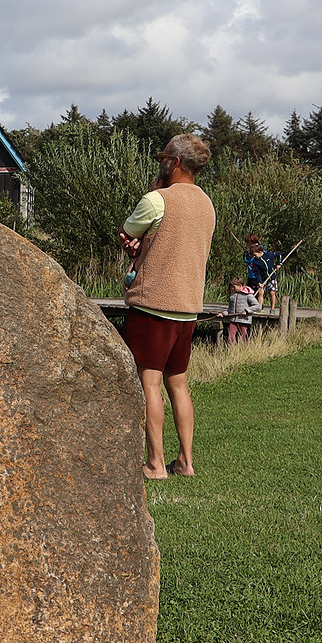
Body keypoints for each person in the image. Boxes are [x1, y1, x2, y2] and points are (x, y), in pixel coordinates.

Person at [118, 133, 216, 480]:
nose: (161, 163)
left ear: (174, 162)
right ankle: (186, 462)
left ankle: (156, 464)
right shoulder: (207, 204)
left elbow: (128, 231)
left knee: (149, 383)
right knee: (179, 384)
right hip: (189, 307)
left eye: (163, 158)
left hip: (153, 304)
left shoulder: (157, 199)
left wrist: (136, 243)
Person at [243, 234, 282, 309]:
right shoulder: (248, 253)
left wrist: (278, 263)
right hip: (252, 275)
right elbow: (247, 260)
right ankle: (253, 307)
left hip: (261, 275)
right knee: (251, 292)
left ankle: (261, 307)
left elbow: (265, 258)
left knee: (263, 292)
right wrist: (248, 254)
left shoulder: (260, 250)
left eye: (248, 242)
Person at [224, 276, 258, 343]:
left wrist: (246, 310)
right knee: (230, 338)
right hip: (233, 320)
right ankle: (231, 349)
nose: (232, 288)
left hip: (243, 320)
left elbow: (257, 306)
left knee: (243, 338)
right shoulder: (232, 296)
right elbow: (230, 310)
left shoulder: (248, 295)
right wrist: (223, 313)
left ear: (240, 285)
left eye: (234, 287)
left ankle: (244, 349)